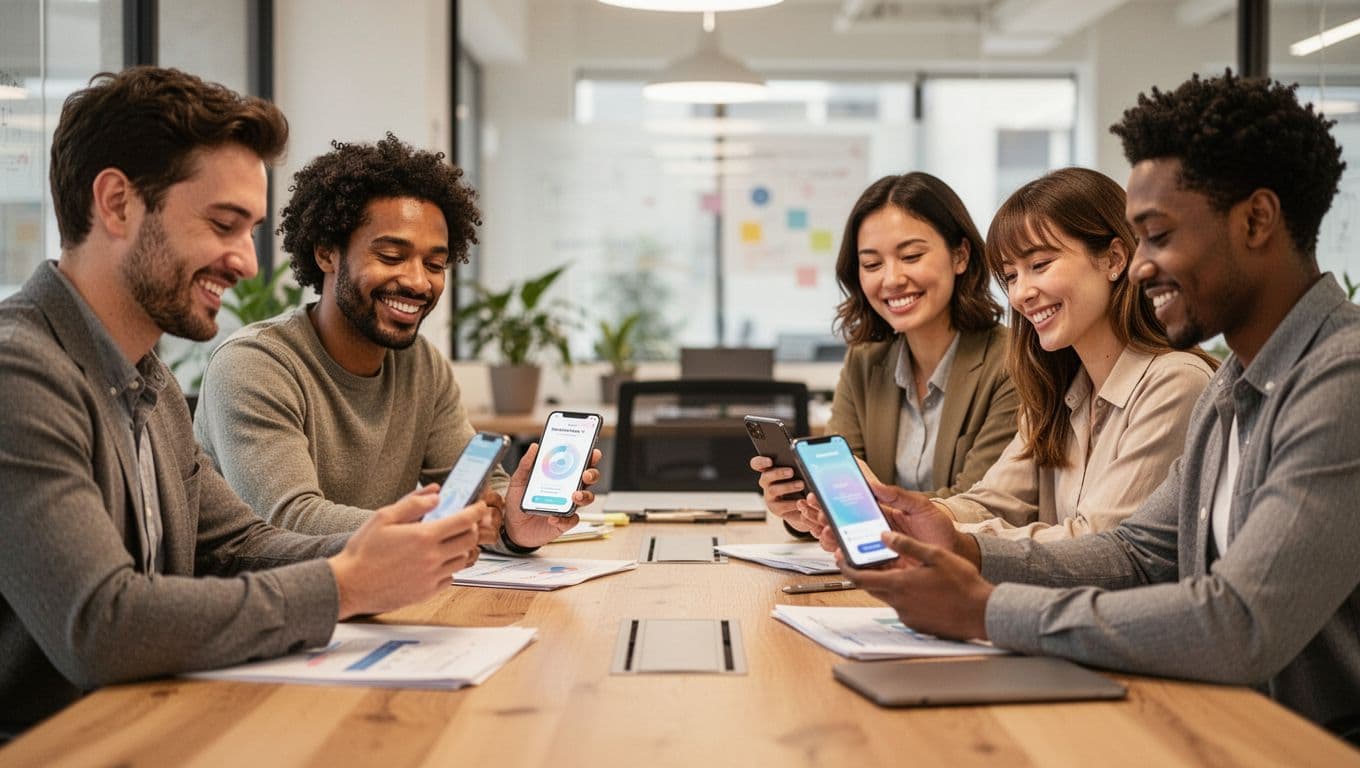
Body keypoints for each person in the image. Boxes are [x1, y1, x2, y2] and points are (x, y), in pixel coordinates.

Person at [819, 72, 1359, 740]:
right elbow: (1134, 554)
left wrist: (986, 610)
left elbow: (1241, 623)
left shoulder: (1343, 378)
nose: (1139, 267)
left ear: (1255, 220)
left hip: (1312, 741)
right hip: (1223, 719)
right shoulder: (1235, 387)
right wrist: (958, 543)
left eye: (1157, 237)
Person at [0, 67, 487, 731]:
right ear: (116, 204)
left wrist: (378, 550)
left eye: (251, 230)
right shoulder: (18, 372)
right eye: (224, 224)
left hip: (145, 723)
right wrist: (345, 584)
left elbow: (241, 546)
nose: (247, 262)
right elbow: (102, 625)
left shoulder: (148, 383)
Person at [193, 135, 593, 553]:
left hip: (371, 598)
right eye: (390, 256)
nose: (419, 282)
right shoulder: (255, 365)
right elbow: (291, 519)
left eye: (435, 264)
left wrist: (512, 523)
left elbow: (474, 491)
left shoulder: (422, 366)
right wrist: (443, 523)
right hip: (273, 606)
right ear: (327, 253)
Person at [933, 167, 1215, 541]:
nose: (1020, 295)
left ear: (1114, 260)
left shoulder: (1175, 383)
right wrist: (905, 514)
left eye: (1039, 265)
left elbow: (1096, 544)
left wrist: (948, 537)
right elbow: (993, 503)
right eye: (1011, 276)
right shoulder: (1056, 388)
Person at [752, 173, 1019, 535]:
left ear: (960, 255)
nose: (891, 279)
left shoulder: (1010, 363)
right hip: (880, 572)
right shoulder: (865, 362)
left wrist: (855, 507)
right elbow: (840, 482)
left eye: (911, 256)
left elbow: (977, 504)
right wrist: (806, 511)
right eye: (872, 264)